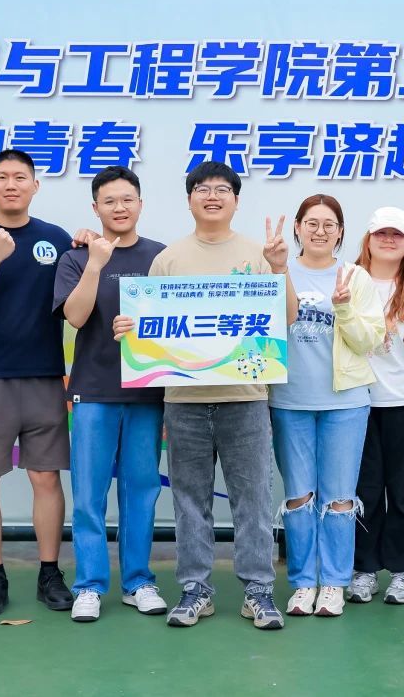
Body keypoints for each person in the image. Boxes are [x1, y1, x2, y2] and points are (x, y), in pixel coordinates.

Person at [113, 161, 297, 630]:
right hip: (184, 401)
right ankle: (196, 589)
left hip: (245, 398)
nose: (211, 196)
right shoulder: (169, 260)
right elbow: (151, 328)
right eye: (202, 189)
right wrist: (130, 330)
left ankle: (258, 591)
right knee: (190, 500)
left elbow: (288, 318)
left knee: (253, 500)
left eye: (221, 189)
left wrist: (280, 269)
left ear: (236, 200)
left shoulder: (260, 255)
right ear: (189, 199)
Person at [0, 149, 85, 618]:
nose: (11, 184)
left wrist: (86, 242)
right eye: (2, 177)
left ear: (35, 185)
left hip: (45, 376)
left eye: (20, 177)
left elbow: (78, 297)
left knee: (46, 477)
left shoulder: (55, 238)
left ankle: (50, 573)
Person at [54, 166, 168, 623]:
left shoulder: (162, 257)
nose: (119, 208)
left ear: (140, 204)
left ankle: (138, 581)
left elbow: (175, 324)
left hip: (147, 394)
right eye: (109, 201)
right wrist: (95, 264)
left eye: (127, 199)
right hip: (94, 392)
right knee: (88, 494)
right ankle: (89, 585)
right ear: (95, 208)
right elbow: (76, 317)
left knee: (141, 491)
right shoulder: (77, 257)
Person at [269, 195, 385, 617]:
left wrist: (344, 309)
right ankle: (303, 583)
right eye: (312, 223)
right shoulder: (276, 270)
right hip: (288, 400)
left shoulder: (356, 277)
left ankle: (334, 582)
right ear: (297, 228)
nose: (320, 231)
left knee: (339, 497)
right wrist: (277, 270)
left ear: (340, 232)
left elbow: (371, 340)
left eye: (329, 224)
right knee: (298, 497)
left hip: (345, 402)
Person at [348, 207, 404, 606]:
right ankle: (363, 569)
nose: (388, 240)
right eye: (380, 233)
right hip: (355, 401)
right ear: (367, 240)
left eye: (396, 234)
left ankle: (403, 571)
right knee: (363, 490)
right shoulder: (348, 280)